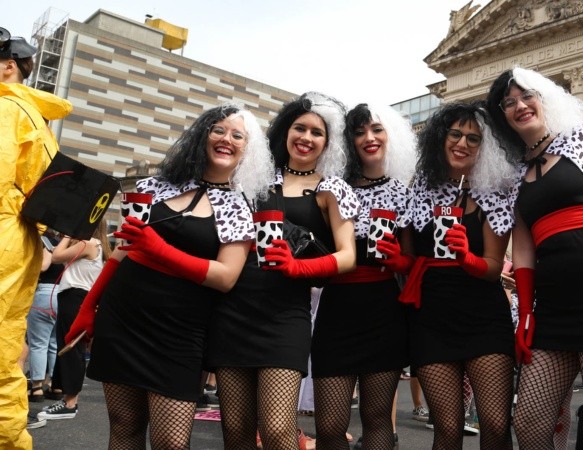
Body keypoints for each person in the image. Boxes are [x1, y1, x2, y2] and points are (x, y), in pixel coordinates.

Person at [66, 103, 271, 449]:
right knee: (124, 428)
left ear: (248, 151)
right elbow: (122, 251)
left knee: (171, 442)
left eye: (238, 135)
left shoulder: (240, 207)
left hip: (181, 331)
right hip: (124, 318)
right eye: (218, 129)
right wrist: (88, 306)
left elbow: (225, 277)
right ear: (202, 135)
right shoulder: (156, 186)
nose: (226, 139)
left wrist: (157, 247)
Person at [486, 67, 583, 449]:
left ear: (544, 98)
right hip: (552, 309)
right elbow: (522, 247)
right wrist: (525, 313)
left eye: (527, 96)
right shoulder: (512, 177)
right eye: (509, 103)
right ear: (502, 116)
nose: (520, 106)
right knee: (529, 424)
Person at [204, 92, 358, 449]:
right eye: (299, 128)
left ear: (328, 142)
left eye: (316, 133)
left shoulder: (331, 188)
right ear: (285, 132)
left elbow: (348, 256)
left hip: (285, 316)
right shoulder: (251, 179)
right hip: (233, 310)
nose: (306, 137)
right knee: (237, 434)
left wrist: (297, 265)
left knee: (276, 430)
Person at [387, 101, 518, 449]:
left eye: (473, 139)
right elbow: (410, 260)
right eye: (455, 134)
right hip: (431, 318)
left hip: (484, 317)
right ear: (440, 138)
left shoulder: (493, 194)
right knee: (446, 429)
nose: (462, 143)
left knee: (494, 424)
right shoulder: (420, 191)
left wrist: (466, 258)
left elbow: (493, 269)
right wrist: (394, 259)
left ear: (485, 147)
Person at [310, 103, 416, 449]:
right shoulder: (331, 188)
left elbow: (410, 263)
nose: (368, 138)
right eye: (359, 132)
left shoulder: (404, 193)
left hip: (382, 311)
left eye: (376, 129)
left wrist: (398, 259)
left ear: (392, 136)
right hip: (336, 309)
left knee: (376, 419)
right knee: (329, 425)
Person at [0, 29, 72, 447]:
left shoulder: (7, 109)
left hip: (5, 230)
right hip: (19, 236)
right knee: (7, 350)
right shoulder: (33, 116)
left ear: (9, 66)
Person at [38, 221, 111, 421]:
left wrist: (69, 234)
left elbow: (55, 256)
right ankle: (67, 399)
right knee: (67, 346)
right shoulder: (96, 244)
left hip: (75, 297)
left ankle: (70, 403)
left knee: (71, 348)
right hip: (75, 297)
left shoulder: (88, 242)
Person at [27, 232, 63, 404]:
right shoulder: (63, 245)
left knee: (38, 344)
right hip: (61, 294)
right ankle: (55, 386)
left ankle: (36, 387)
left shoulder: (45, 242)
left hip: (44, 295)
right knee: (54, 344)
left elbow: (43, 265)